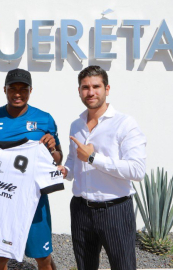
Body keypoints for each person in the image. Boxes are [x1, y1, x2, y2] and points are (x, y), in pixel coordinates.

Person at [58, 65, 147, 270]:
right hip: (80, 209)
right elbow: (73, 159)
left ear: (107, 89)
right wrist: (66, 171)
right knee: (85, 267)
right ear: (79, 90)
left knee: (123, 266)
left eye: (96, 86)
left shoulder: (125, 124)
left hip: (114, 210)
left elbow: (137, 170)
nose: (90, 92)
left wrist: (93, 158)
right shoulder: (76, 124)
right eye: (85, 87)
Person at [0, 68, 62, 270]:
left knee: (43, 258)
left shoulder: (45, 119)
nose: (17, 93)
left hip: (34, 198)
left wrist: (52, 148)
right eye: (12, 88)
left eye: (23, 89)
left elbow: (58, 157)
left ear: (31, 91)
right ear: (4, 89)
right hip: (1, 198)